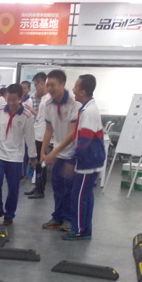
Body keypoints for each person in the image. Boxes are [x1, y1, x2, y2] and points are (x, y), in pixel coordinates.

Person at [61, 74, 106, 241]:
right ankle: (85, 229)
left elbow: (85, 141)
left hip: (87, 162)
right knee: (86, 195)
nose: (73, 90)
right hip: (89, 160)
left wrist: (71, 160)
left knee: (78, 196)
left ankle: (79, 230)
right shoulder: (87, 109)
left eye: (75, 87)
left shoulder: (89, 112)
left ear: (83, 91)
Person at [0, 84, 35, 226]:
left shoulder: (26, 115)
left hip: (15, 156)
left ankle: (9, 214)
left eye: (14, 100)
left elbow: (30, 137)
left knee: (13, 187)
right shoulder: (1, 109)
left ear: (20, 98)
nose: (11, 103)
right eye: (8, 99)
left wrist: (32, 156)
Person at [41, 69, 80, 232]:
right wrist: (43, 152)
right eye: (48, 85)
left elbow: (73, 133)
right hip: (58, 153)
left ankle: (69, 219)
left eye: (53, 85)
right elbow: (48, 130)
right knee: (57, 186)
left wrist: (54, 152)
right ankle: (57, 217)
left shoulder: (74, 104)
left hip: (73, 153)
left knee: (70, 188)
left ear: (63, 84)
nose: (49, 88)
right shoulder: (48, 104)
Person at [26, 72, 50, 199]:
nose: (36, 89)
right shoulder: (44, 99)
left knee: (40, 163)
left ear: (42, 83)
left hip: (42, 136)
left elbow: (49, 122)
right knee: (38, 164)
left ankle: (40, 189)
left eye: (36, 85)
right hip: (38, 134)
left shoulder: (49, 100)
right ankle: (38, 187)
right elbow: (39, 118)